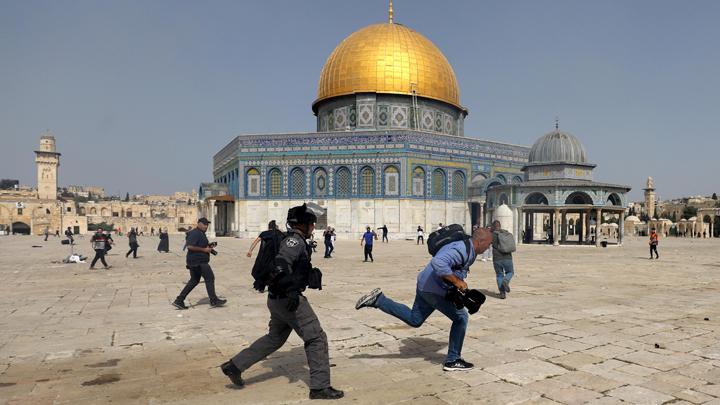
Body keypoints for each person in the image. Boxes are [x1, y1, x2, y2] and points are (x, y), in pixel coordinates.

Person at [221, 203, 344, 400]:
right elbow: (280, 264)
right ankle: (320, 387)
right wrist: (292, 291)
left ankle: (235, 366)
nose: (313, 227)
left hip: (277, 300)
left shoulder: (296, 239)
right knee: (316, 337)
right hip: (289, 301)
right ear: (303, 225)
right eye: (311, 223)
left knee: (275, 337)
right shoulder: (294, 242)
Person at [356, 227, 493, 371]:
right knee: (461, 318)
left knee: (415, 319)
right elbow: (438, 262)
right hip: (433, 290)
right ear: (480, 241)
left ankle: (378, 300)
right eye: (488, 243)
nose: (489, 247)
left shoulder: (469, 250)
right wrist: (457, 281)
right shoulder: (460, 250)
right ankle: (453, 359)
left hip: (425, 284)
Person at [172, 218, 226, 309]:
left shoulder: (200, 233)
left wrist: (209, 246)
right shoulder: (195, 233)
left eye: (207, 224)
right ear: (198, 224)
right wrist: (204, 250)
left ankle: (179, 300)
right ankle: (214, 300)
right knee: (209, 278)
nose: (206, 226)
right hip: (198, 261)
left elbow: (198, 245)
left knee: (194, 280)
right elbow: (190, 246)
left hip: (195, 261)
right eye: (204, 224)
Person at [491, 220, 515, 299]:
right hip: (507, 257)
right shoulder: (505, 233)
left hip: (497, 258)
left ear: (493, 227)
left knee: (499, 275)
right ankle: (506, 280)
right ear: (500, 226)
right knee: (510, 272)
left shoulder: (492, 235)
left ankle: (502, 293)